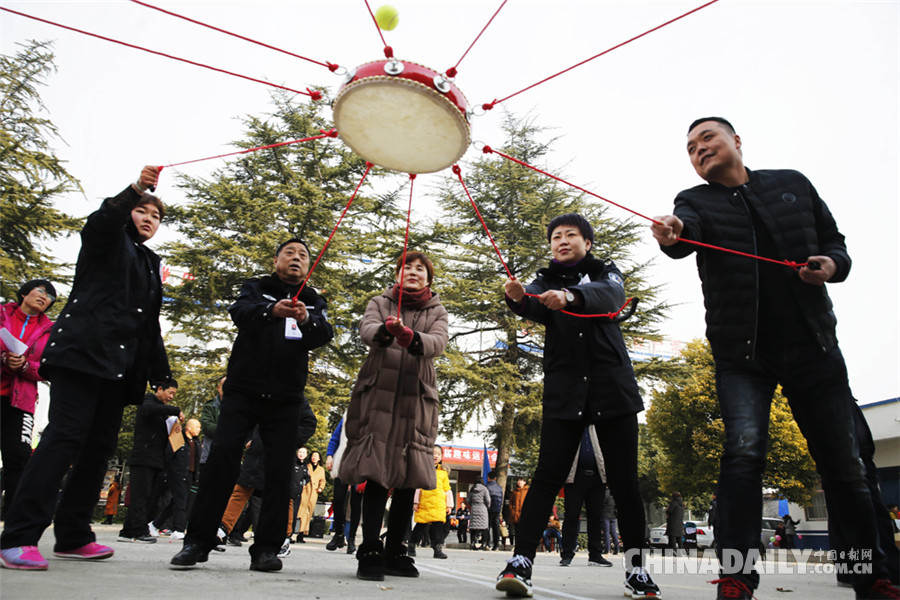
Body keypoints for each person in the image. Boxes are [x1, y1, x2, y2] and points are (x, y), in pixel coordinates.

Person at [650, 116, 897, 600]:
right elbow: (684, 232)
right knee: (743, 454)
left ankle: (870, 577)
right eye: (691, 147)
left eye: (707, 139)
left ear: (736, 141)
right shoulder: (694, 201)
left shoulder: (792, 185)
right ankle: (737, 577)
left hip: (815, 346)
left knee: (844, 464)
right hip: (743, 354)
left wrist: (832, 266)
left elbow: (835, 245)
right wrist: (673, 232)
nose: (699, 150)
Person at [0, 166, 172, 571]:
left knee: (98, 450)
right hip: (81, 356)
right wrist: (134, 189)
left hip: (118, 368)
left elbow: (148, 324)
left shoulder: (149, 262)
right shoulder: (107, 241)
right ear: (129, 211)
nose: (148, 220)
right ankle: (19, 536)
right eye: (142, 211)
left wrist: (160, 373)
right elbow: (102, 220)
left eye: (157, 217)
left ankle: (74, 535)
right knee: (64, 439)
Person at [497, 213, 661, 598]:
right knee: (546, 477)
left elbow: (612, 296)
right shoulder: (544, 279)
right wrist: (518, 298)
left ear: (587, 243)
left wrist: (571, 297)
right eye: (556, 236)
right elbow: (535, 304)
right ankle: (520, 562)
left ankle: (637, 571)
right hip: (565, 390)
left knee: (624, 483)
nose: (563, 240)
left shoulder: (607, 272)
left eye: (571, 234)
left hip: (612, 389)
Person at [170, 238, 333, 572]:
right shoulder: (256, 287)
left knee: (278, 473)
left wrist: (306, 320)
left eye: (303, 255)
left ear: (308, 265)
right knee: (222, 461)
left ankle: (267, 549)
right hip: (244, 390)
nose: (296, 258)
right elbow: (239, 313)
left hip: (287, 398)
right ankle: (198, 541)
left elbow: (324, 334)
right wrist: (271, 311)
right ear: (276, 260)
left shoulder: (314, 299)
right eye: (290, 253)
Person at [338, 251, 449, 581]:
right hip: (379, 396)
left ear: (429, 278)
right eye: (407, 267)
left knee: (408, 475)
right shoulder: (381, 301)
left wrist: (412, 338)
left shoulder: (437, 309)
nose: (413, 272)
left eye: (420, 269)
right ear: (398, 273)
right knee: (376, 470)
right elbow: (367, 329)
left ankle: (396, 549)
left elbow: (438, 341)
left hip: (416, 399)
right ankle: (370, 547)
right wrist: (387, 331)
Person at [1, 279, 56, 519]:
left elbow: (48, 368)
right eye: (41, 291)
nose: (45, 296)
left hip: (20, 401)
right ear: (24, 293)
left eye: (50, 296)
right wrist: (4, 358)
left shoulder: (50, 331)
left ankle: (13, 521)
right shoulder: (2, 314)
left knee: (19, 458)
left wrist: (24, 366)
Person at [119, 378, 182, 543]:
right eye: (170, 393)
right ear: (160, 389)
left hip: (153, 459)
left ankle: (127, 531)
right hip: (143, 457)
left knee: (144, 495)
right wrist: (175, 410)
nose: (171, 397)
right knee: (142, 496)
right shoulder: (147, 401)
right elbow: (148, 410)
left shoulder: (159, 410)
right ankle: (139, 531)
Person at [559, 425, 611, 567]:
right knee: (571, 516)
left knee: (596, 517)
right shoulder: (571, 425)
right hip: (575, 477)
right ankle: (567, 554)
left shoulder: (600, 426)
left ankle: (595, 555)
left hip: (597, 477)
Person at [152, 418, 202, 540]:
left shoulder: (196, 443)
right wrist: (166, 472)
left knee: (176, 501)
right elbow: (169, 454)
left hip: (190, 475)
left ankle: (155, 524)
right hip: (178, 474)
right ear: (188, 427)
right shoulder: (179, 439)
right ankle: (178, 529)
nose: (199, 430)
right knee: (181, 501)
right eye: (197, 427)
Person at [409, 445, 453, 559]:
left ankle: (437, 549)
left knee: (438, 527)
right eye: (433, 453)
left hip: (438, 504)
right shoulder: (422, 469)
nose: (435, 456)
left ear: (441, 457)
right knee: (420, 527)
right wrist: (415, 502)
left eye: (438, 454)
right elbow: (418, 487)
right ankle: (412, 545)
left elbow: (447, 489)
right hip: (424, 503)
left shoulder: (443, 473)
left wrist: (449, 505)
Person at [198, 376, 225, 482]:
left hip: (228, 459)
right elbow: (207, 427)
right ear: (219, 388)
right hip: (209, 458)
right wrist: (229, 429)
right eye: (224, 386)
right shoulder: (210, 406)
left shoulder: (239, 408)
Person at [296, 450, 326, 543]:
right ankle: (299, 533)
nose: (314, 458)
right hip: (305, 491)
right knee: (302, 512)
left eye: (316, 456)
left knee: (309, 513)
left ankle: (302, 532)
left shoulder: (321, 469)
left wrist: (321, 488)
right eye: (313, 456)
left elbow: (323, 480)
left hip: (314, 493)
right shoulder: (306, 466)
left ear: (319, 458)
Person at [467, 480, 490, 551]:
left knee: (473, 527)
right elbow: (488, 500)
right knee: (484, 527)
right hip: (482, 508)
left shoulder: (472, 489)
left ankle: (472, 543)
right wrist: (487, 506)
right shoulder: (485, 489)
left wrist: (472, 505)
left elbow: (468, 500)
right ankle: (484, 544)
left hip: (474, 508)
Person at [486, 470, 504, 551]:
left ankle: (487, 543)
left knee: (487, 527)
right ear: (496, 478)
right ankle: (496, 545)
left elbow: (486, 499)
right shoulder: (499, 488)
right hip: (497, 509)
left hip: (489, 510)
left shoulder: (487, 487)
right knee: (496, 528)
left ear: (488, 478)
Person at [508, 478, 528, 548]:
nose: (519, 482)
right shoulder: (515, 492)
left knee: (523, 531)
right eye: (518, 480)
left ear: (524, 482)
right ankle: (517, 545)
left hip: (524, 514)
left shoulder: (527, 491)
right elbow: (510, 502)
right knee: (516, 531)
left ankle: (523, 545)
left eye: (521, 481)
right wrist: (512, 510)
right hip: (515, 514)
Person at [602, 488, 619, 555]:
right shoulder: (614, 493)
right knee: (614, 532)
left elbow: (602, 503)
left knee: (606, 532)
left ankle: (607, 549)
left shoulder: (605, 493)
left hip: (605, 514)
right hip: (613, 515)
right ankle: (617, 549)